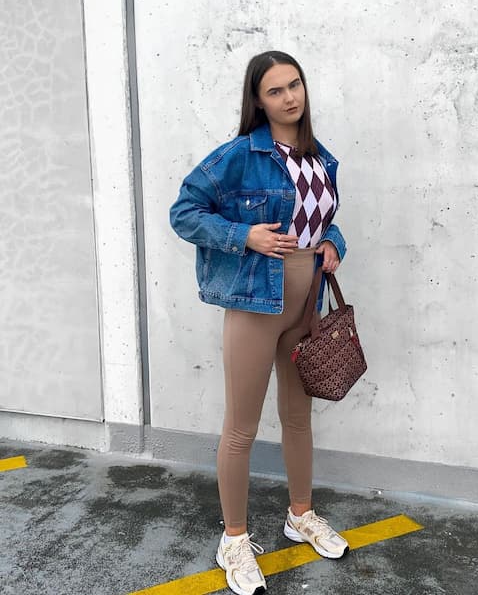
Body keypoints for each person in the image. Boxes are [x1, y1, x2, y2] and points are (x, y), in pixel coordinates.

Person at [170, 50, 349, 595]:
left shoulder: (321, 158)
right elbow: (185, 212)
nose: (290, 97)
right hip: (255, 301)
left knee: (298, 418)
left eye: (295, 85)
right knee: (241, 426)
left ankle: (300, 515)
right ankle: (234, 538)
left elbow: (326, 223)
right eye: (275, 91)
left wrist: (332, 246)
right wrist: (243, 235)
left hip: (306, 304)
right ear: (257, 100)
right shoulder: (240, 156)